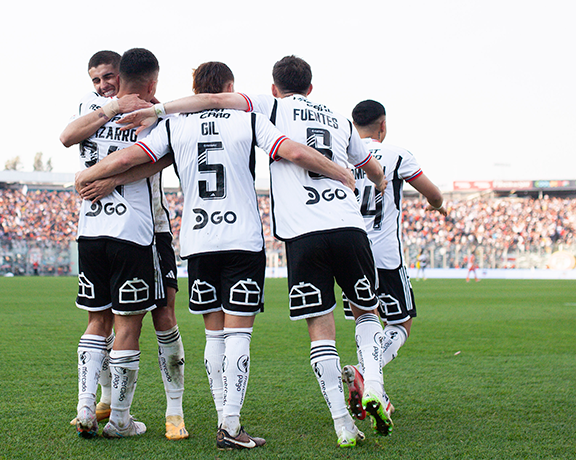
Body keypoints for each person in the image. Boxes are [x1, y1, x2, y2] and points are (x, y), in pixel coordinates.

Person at [76, 60, 357, 450]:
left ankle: (220, 415)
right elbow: (292, 150)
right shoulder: (249, 118)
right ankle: (230, 424)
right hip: (241, 238)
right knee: (238, 333)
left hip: (198, 241)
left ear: (194, 88)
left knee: (214, 335)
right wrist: (339, 172)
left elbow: (129, 159)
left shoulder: (174, 125)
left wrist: (88, 176)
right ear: (228, 86)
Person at [62, 50, 188, 440]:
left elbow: (165, 156)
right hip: (127, 232)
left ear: (125, 74)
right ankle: (107, 407)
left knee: (162, 313)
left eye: (109, 77)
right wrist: (111, 106)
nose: (103, 85)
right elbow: (67, 136)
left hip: (153, 228)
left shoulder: (153, 111)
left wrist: (109, 179)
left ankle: (174, 410)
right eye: (96, 80)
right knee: (116, 321)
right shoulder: (94, 107)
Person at [341, 99, 447, 421]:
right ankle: (364, 373)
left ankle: (377, 390)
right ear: (382, 125)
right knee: (401, 322)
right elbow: (433, 192)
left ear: (353, 124)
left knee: (365, 322)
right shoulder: (397, 154)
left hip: (351, 254)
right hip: (386, 255)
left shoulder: (341, 154)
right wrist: (437, 205)